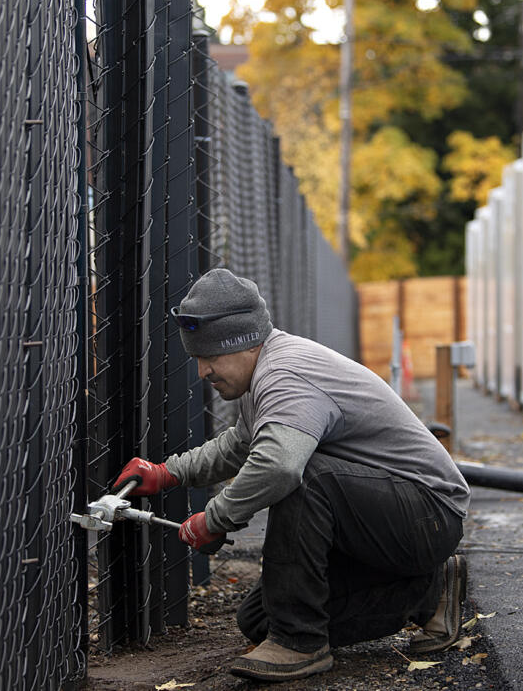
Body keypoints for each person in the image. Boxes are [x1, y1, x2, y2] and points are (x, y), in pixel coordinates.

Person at [114, 268, 471, 682]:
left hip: (427, 515)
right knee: (262, 619)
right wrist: (167, 473)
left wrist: (214, 520)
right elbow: (240, 445)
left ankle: (300, 644)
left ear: (242, 342)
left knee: (303, 477)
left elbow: (279, 464)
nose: (202, 372)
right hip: (384, 520)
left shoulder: (286, 377)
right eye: (197, 358)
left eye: (209, 357)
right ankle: (429, 593)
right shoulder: (262, 375)